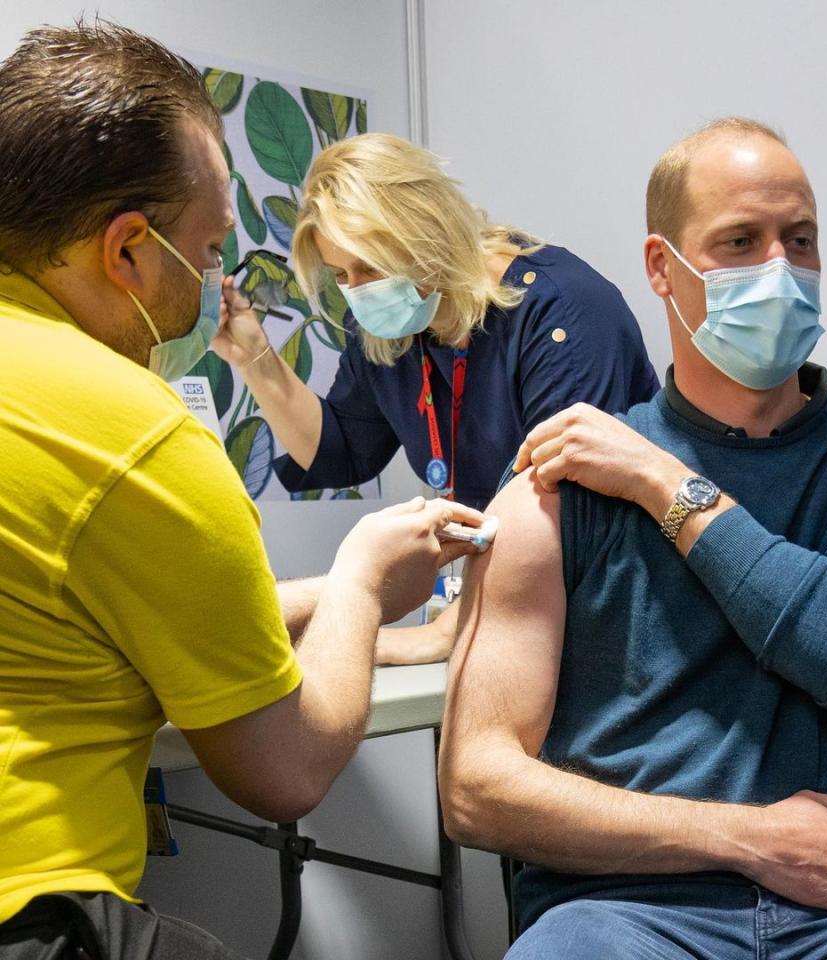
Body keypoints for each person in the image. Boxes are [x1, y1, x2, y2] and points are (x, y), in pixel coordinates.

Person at [0, 21, 482, 960]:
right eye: (210, 248)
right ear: (128, 248)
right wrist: (355, 583)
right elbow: (284, 770)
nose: (215, 276)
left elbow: (94, 610)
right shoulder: (133, 431)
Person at [438, 118, 827, 959]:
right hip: (621, 918)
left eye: (801, 240)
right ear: (662, 268)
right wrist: (745, 838)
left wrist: (662, 482)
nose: (780, 270)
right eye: (741, 242)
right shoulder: (560, 480)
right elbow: (476, 789)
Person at [213, 133, 660, 664]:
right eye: (342, 275)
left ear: (428, 233)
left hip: (611, 620)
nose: (357, 291)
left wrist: (441, 634)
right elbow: (342, 451)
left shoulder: (563, 311)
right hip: (501, 621)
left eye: (370, 267)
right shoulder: (392, 327)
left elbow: (567, 510)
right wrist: (254, 358)